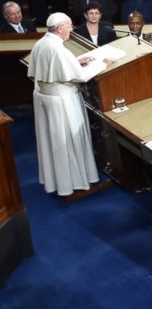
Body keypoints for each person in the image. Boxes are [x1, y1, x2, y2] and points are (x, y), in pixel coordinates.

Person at [27, 12, 101, 196]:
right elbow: (81, 76)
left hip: (46, 98)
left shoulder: (42, 42)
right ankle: (74, 182)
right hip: (62, 103)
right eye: (69, 26)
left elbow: (55, 67)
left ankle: (58, 181)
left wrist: (76, 61)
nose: (71, 30)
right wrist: (103, 64)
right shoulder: (59, 49)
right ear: (60, 28)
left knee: (53, 142)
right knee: (68, 141)